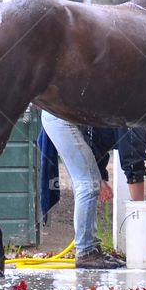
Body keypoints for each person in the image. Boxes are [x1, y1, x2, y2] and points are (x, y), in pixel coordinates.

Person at [39, 111, 124, 269]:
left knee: (88, 183)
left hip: (64, 117)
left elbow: (94, 141)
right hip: (62, 117)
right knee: (88, 185)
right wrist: (99, 178)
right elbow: (97, 137)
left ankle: (91, 247)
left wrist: (101, 178)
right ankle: (86, 252)